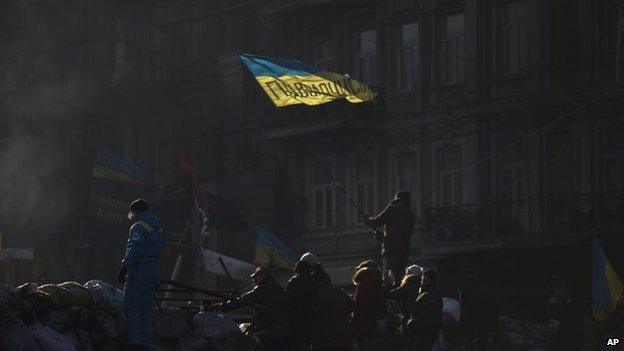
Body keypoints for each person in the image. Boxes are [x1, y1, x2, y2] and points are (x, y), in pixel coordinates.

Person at [117, 198, 165, 350]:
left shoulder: (138, 227)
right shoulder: (157, 226)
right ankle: (146, 342)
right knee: (146, 308)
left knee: (132, 307)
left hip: (139, 271)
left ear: (135, 211)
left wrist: (124, 267)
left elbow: (134, 250)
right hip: (152, 271)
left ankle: (136, 342)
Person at [221, 266, 290, 351]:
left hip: (266, 330)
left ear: (262, 277)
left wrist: (221, 307)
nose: (253, 280)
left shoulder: (262, 289)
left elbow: (242, 301)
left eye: (255, 277)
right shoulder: (279, 288)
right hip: (282, 330)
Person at [365, 190, 415, 287]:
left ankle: (388, 298)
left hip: (391, 251)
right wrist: (383, 238)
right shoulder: (410, 214)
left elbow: (376, 221)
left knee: (387, 279)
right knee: (399, 280)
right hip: (404, 252)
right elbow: (401, 234)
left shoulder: (393, 208)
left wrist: (368, 219)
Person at [285, 260, 319, 350]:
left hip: (296, 317)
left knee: (298, 342)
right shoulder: (315, 282)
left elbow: (287, 300)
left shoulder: (293, 282)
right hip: (312, 316)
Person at [407, 268, 443, 351]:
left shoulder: (429, 294)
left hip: (424, 332)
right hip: (425, 331)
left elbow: (427, 314)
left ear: (428, 279)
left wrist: (413, 322)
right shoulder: (429, 292)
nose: (422, 280)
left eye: (424, 278)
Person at [351, 264, 385, 351]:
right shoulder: (379, 285)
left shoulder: (362, 286)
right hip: (376, 322)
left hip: (362, 323)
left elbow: (358, 305)